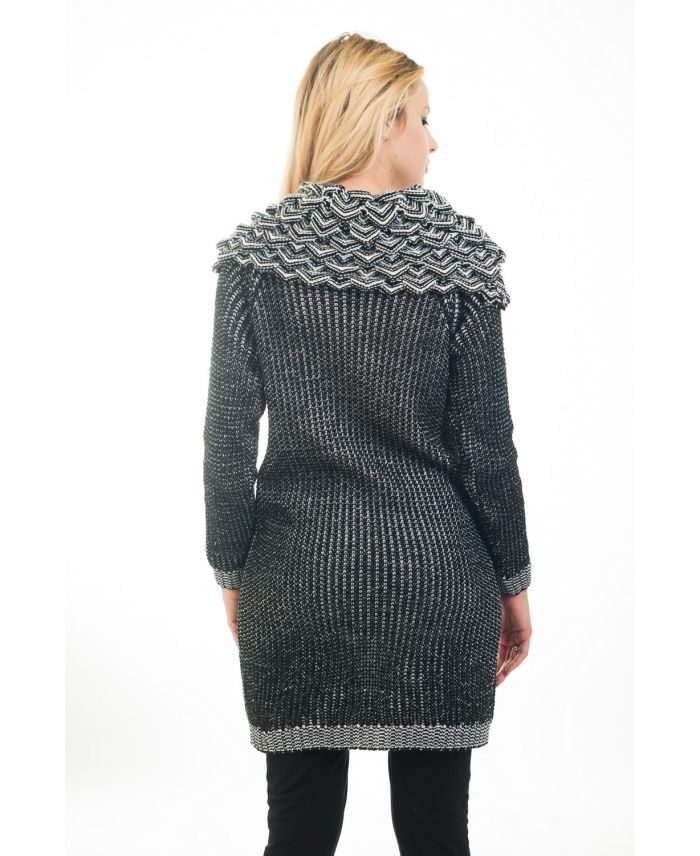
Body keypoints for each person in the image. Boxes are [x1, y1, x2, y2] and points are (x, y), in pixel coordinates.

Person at [203, 31, 533, 856]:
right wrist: (515, 584)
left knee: (298, 835)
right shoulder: (458, 258)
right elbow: (486, 449)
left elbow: (226, 441)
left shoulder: (256, 259)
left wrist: (233, 572)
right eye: (423, 117)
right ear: (385, 121)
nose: (433, 140)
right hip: (438, 584)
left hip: (296, 582)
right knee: (435, 836)